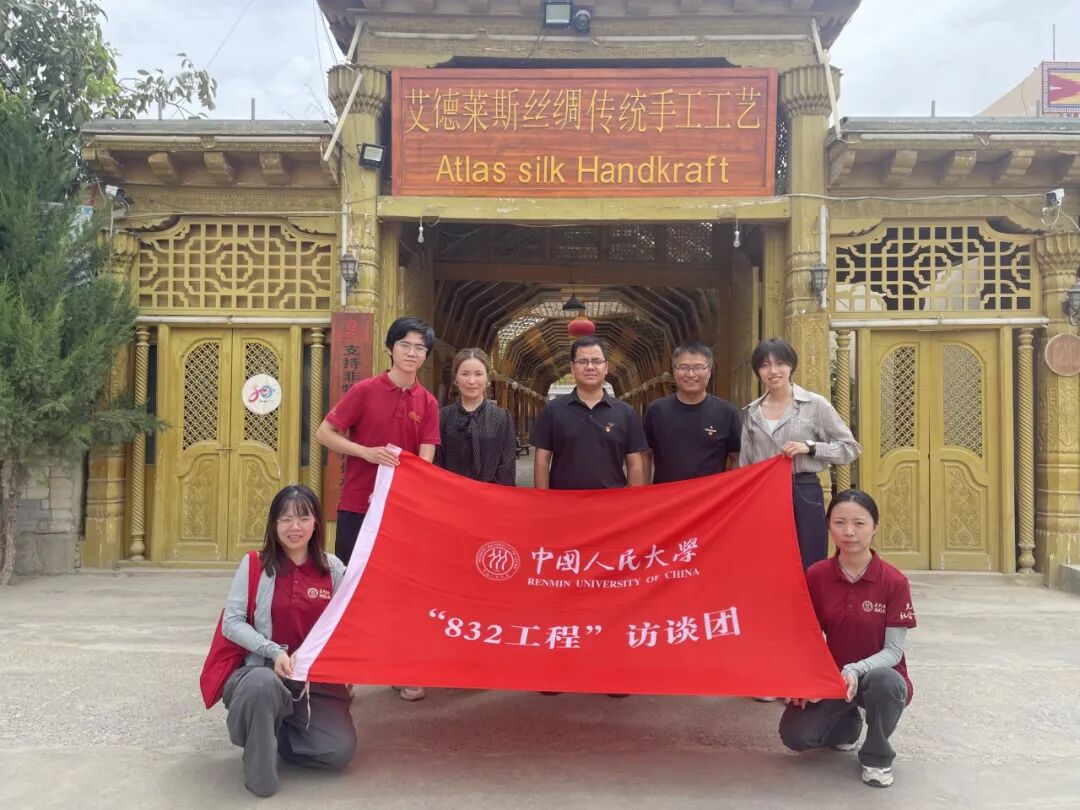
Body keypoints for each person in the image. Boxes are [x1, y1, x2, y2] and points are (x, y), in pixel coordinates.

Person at [315, 315, 440, 702]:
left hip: (401, 513)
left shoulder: (428, 402)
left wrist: (401, 494)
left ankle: (398, 670)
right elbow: (324, 433)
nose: (412, 353)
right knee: (350, 588)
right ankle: (344, 673)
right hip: (357, 505)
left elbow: (425, 459)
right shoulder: (365, 390)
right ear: (390, 348)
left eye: (420, 348)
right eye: (406, 345)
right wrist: (365, 453)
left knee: (400, 593)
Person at [220, 484, 356, 798]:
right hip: (262, 672)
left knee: (339, 751)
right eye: (286, 519)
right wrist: (273, 652)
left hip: (313, 684)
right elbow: (232, 622)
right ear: (274, 524)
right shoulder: (255, 565)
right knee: (262, 684)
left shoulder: (333, 570)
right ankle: (260, 775)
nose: (295, 527)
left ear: (316, 523)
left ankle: (271, 735)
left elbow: (351, 621)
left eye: (303, 518)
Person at [778, 489, 917, 789]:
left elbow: (893, 650)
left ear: (875, 527)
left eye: (859, 523)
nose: (849, 532)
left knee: (884, 682)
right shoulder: (817, 575)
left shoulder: (893, 581)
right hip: (834, 680)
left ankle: (877, 756)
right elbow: (806, 637)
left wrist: (854, 669)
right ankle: (847, 725)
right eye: (839, 522)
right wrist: (803, 679)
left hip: (880, 677)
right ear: (829, 526)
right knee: (795, 736)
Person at [739, 337, 861, 570]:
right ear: (758, 371)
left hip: (803, 489)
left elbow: (850, 448)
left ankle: (810, 596)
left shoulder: (815, 405)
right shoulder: (752, 413)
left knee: (809, 560)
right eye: (765, 365)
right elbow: (746, 464)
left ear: (791, 366)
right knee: (768, 558)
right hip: (764, 493)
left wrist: (811, 447)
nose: (773, 371)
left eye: (780, 363)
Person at [532, 336, 648, 491]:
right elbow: (542, 459)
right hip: (564, 500)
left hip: (611, 500)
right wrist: (544, 498)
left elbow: (634, 462)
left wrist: (632, 499)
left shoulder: (625, 412)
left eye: (596, 361)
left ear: (606, 367)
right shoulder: (552, 410)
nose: (590, 367)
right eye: (582, 361)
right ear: (572, 368)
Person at [642, 340, 741, 483]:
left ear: (709, 371)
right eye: (683, 367)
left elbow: (736, 458)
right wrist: (644, 490)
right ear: (674, 371)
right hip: (667, 494)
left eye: (698, 368)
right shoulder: (656, 410)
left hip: (711, 495)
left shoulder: (726, 412)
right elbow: (645, 455)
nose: (690, 374)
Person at [435, 348, 516, 485]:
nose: (472, 381)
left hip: (491, 494)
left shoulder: (501, 418)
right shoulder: (442, 417)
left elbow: (507, 467)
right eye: (465, 374)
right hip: (451, 492)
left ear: (487, 378)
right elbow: (437, 462)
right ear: (456, 379)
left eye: (478, 374)